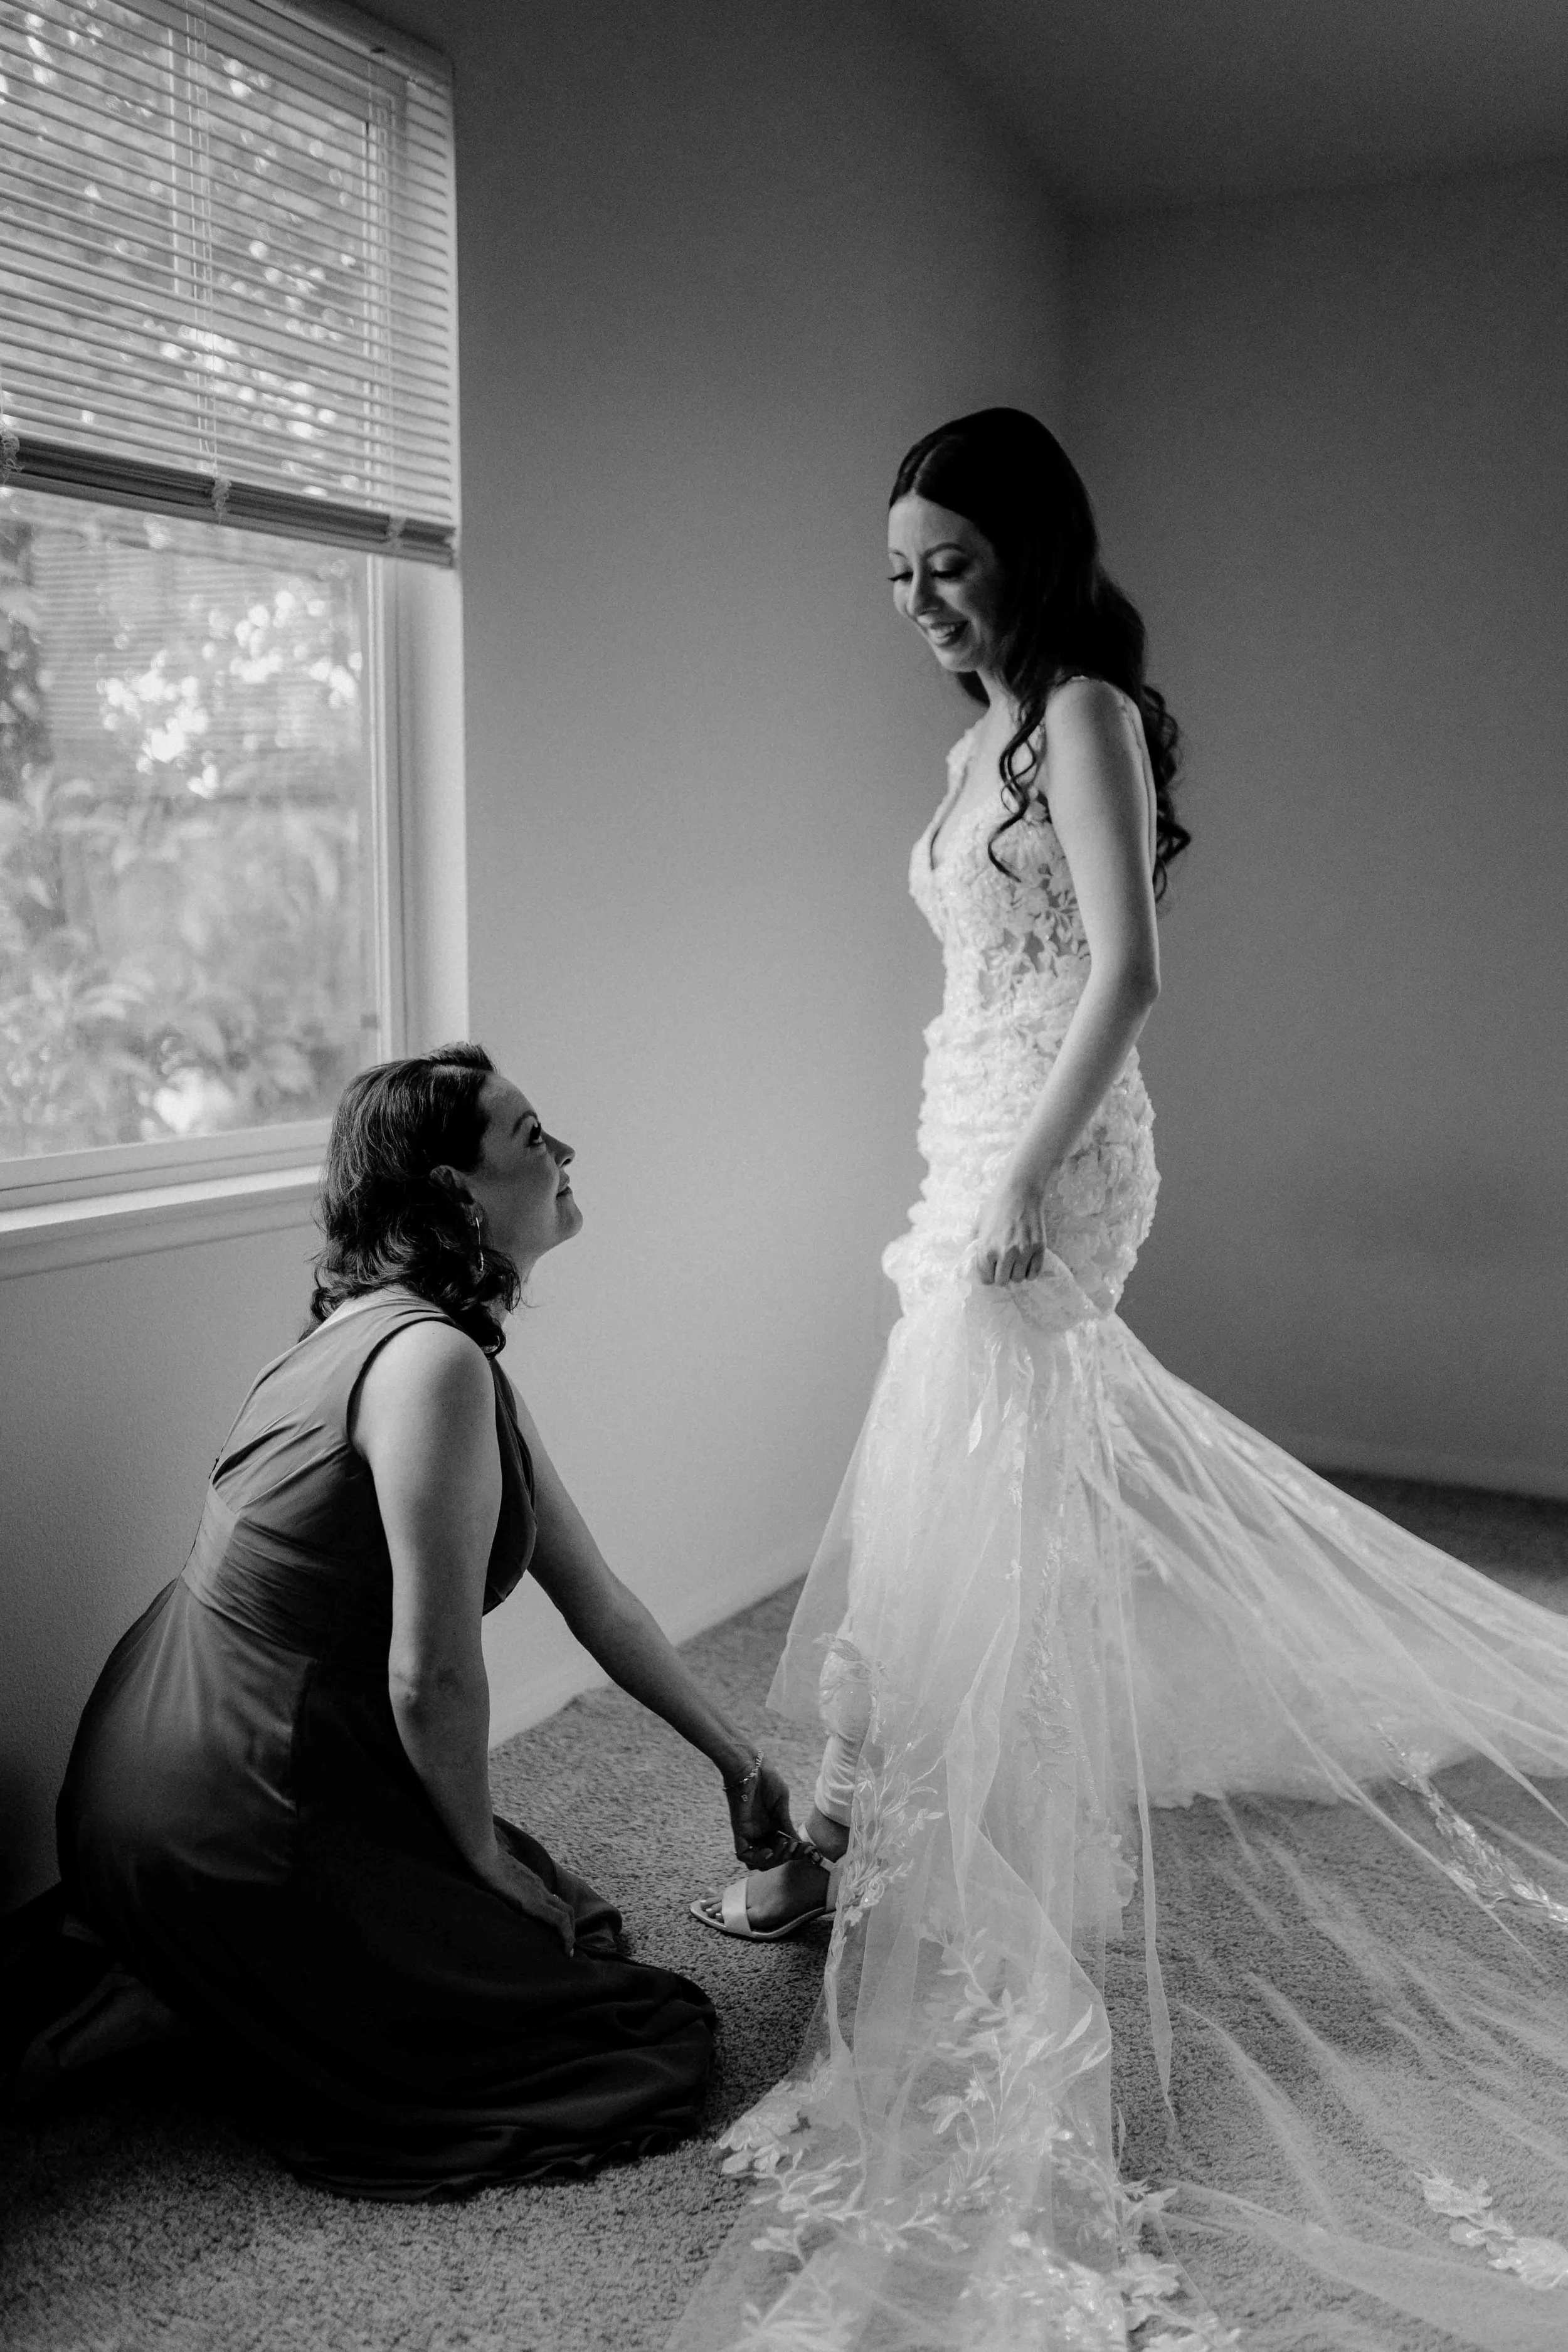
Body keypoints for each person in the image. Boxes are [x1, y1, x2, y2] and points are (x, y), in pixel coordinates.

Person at [675, 410, 1568, 2351]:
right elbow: (973, 977)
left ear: (1028, 548)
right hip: (971, 1129)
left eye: (949, 562)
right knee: (956, 1472)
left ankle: (942, 1847)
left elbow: (1125, 969)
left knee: (973, 1454)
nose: (918, 600)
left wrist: (1012, 1175)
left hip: (1049, 1148)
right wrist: (952, 1148)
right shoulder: (964, 738)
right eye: (898, 569)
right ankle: (904, 1817)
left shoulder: (1082, 707)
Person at [55, 1042, 796, 2199]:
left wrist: (736, 1757)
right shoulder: (433, 1362)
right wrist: (478, 1855)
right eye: (533, 1137)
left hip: (144, 1759)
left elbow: (594, 1592)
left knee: (554, 1910)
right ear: (455, 1193)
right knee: (602, 2023)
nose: (564, 1154)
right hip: (231, 1797)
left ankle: (191, 1973)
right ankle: (183, 1989)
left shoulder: (396, 1334)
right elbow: (431, 1682)